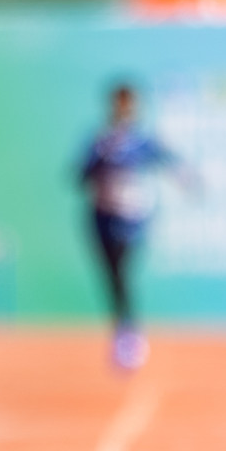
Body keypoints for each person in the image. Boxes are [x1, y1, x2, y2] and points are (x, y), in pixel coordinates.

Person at [78, 83, 184, 371]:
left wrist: (187, 178)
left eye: (129, 103)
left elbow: (168, 159)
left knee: (122, 274)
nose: (124, 108)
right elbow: (79, 177)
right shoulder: (99, 141)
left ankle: (129, 336)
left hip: (132, 218)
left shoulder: (141, 141)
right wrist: (101, 157)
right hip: (101, 217)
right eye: (119, 103)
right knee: (112, 278)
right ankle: (123, 331)